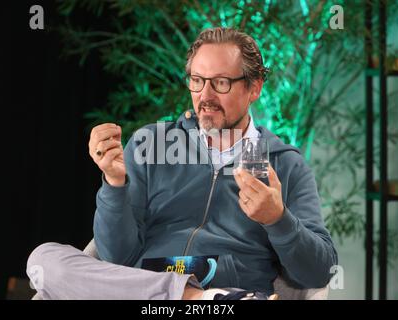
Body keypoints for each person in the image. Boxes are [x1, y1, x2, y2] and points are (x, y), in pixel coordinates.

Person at [27, 27, 338, 300]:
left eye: (221, 83)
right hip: (151, 295)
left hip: (225, 298)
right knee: (42, 260)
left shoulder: (283, 164)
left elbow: (319, 272)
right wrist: (114, 184)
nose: (205, 95)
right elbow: (115, 257)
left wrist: (278, 219)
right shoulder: (151, 144)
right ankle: (195, 297)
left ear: (253, 88)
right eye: (197, 80)